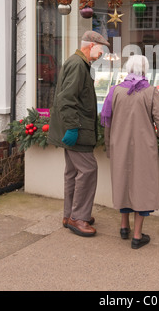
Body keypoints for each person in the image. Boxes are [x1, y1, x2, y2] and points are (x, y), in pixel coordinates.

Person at [101, 55, 159, 249]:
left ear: (128, 69)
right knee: (142, 188)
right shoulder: (150, 92)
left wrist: (109, 147)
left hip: (120, 147)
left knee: (123, 184)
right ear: (145, 70)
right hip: (144, 148)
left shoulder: (115, 91)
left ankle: (124, 226)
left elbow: (107, 123)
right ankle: (137, 235)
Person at [48, 30, 110, 237]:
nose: (103, 53)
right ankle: (79, 218)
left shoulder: (78, 63)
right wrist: (73, 128)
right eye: (101, 48)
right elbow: (66, 100)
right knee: (88, 170)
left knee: (73, 172)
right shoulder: (78, 65)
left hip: (77, 129)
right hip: (78, 131)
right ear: (91, 45)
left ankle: (70, 215)